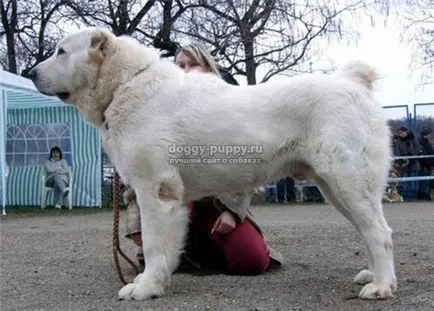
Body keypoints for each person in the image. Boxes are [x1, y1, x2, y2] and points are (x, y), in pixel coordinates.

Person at [125, 42, 283, 275]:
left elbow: (247, 165)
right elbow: (139, 173)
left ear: (209, 69)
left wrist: (233, 211)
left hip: (219, 204)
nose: (186, 71)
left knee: (252, 261)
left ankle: (200, 252)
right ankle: (170, 256)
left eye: (193, 64)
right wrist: (137, 224)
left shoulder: (231, 111)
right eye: (180, 66)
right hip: (178, 203)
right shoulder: (156, 113)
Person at [393, 126, 420, 201]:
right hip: (403, 164)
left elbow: (417, 149)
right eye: (399, 133)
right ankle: (405, 196)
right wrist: (399, 162)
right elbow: (397, 152)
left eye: (402, 132)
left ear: (406, 132)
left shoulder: (413, 139)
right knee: (404, 181)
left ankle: (413, 196)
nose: (401, 134)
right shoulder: (397, 142)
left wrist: (412, 158)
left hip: (413, 163)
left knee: (413, 181)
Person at [417, 127, 434, 200]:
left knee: (426, 180)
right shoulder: (422, 142)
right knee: (424, 180)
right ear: (426, 134)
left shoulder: (425, 141)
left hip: (427, 164)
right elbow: (423, 154)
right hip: (425, 164)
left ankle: (425, 193)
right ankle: (423, 194)